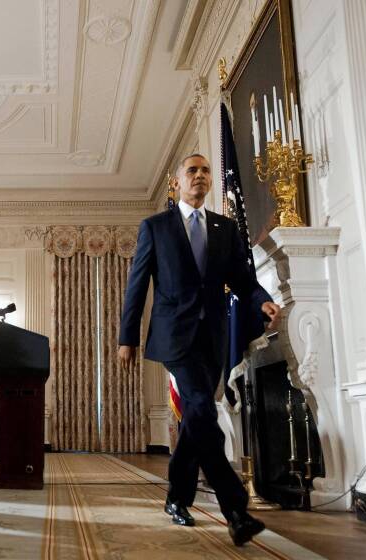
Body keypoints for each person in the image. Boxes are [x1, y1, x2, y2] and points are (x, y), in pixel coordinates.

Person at [118, 153, 281, 547]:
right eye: (192, 170)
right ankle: (236, 510)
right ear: (177, 181)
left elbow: (242, 279)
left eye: (206, 170)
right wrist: (127, 337)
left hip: (214, 339)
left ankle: (177, 498)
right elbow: (137, 284)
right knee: (202, 410)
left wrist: (261, 300)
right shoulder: (155, 227)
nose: (200, 176)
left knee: (196, 419)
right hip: (175, 336)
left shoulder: (225, 228)